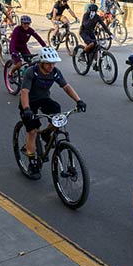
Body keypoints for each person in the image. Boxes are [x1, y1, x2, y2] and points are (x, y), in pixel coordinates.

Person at [19, 47, 86, 178]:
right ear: (41, 63)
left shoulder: (55, 72)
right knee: (32, 131)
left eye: (53, 63)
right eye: (48, 63)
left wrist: (79, 101)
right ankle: (33, 164)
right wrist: (26, 109)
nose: (51, 66)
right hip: (28, 102)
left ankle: (46, 134)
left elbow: (66, 86)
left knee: (57, 111)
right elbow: (24, 92)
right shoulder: (31, 72)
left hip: (43, 99)